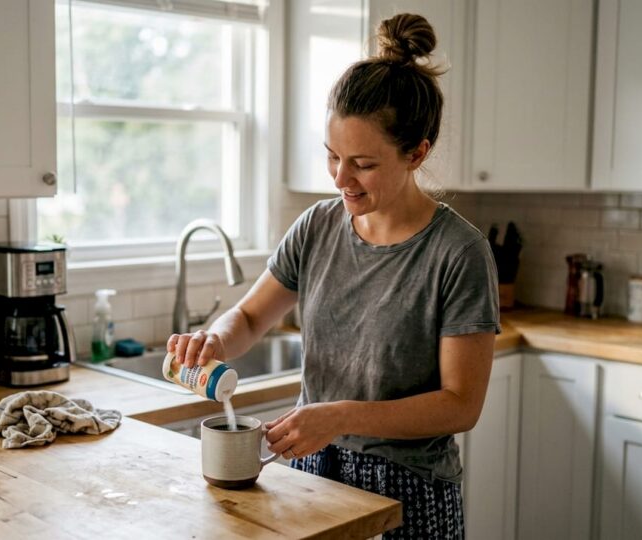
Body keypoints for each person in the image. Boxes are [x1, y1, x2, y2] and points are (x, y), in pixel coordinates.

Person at [167, 12, 499, 539]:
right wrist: (215, 339)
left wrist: (339, 416)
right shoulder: (318, 226)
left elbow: (461, 405)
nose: (341, 178)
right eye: (332, 156)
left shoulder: (458, 252)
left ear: (417, 153)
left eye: (363, 163)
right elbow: (252, 315)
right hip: (312, 472)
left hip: (408, 489)